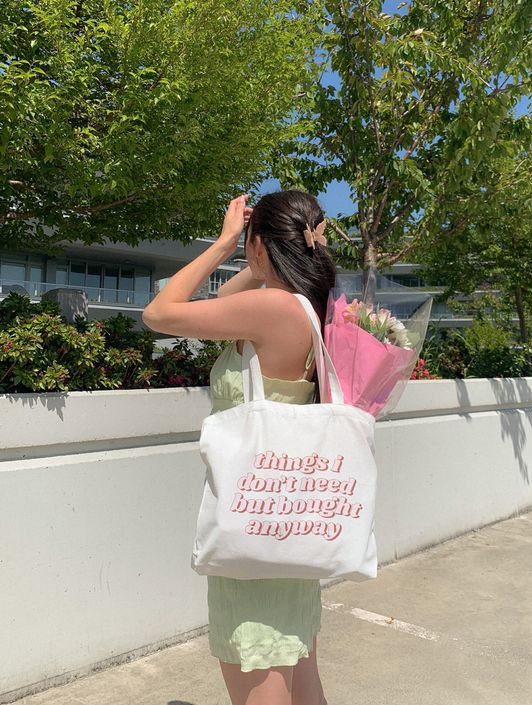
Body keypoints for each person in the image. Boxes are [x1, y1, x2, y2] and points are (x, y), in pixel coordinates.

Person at [142, 189, 337, 705]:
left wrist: (226, 241)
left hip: (251, 523)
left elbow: (160, 313)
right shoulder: (306, 310)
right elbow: (224, 307)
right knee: (302, 680)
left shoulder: (271, 310)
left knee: (260, 670)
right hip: (289, 520)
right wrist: (258, 252)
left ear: (258, 247)